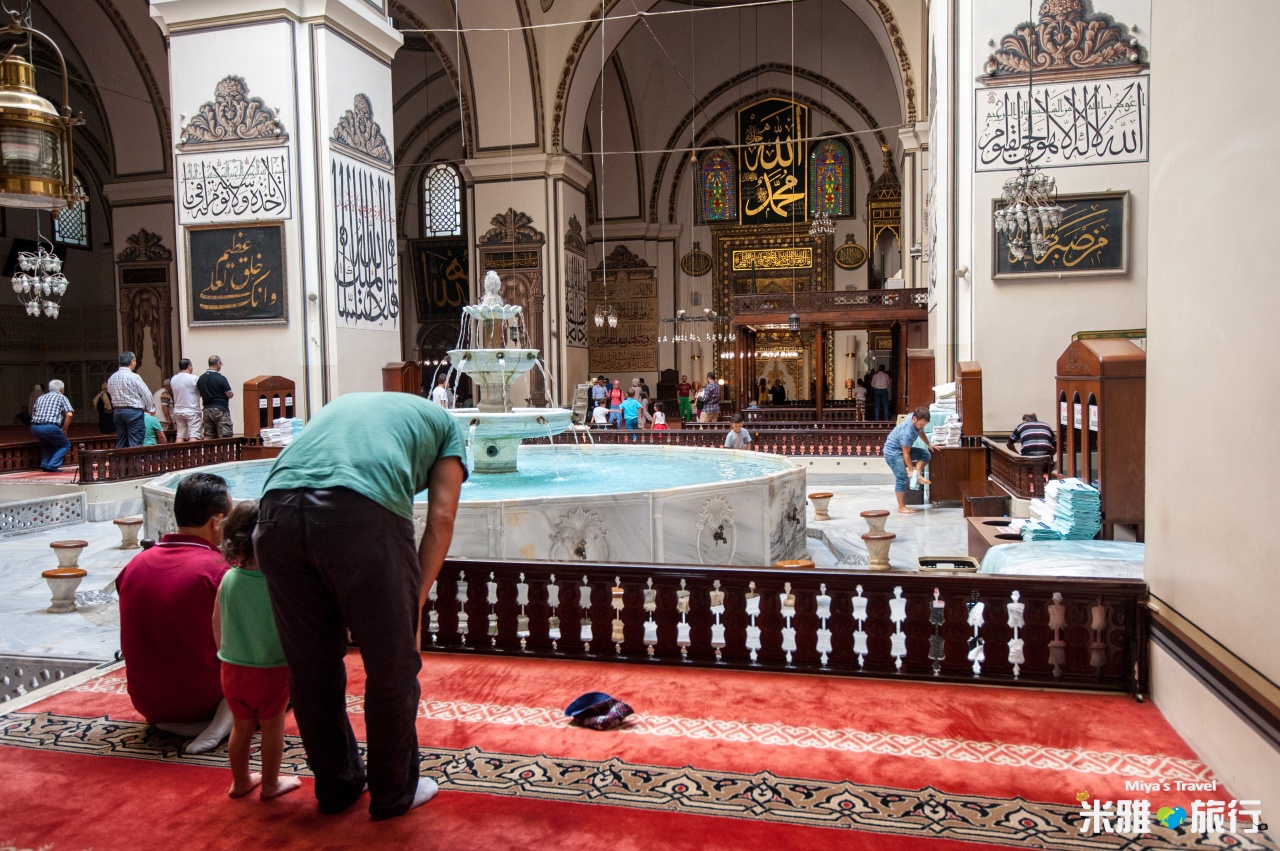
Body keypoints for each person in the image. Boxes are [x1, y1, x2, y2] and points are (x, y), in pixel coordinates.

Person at [254, 393, 466, 820]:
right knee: (392, 668)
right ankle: (392, 794)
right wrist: (415, 596)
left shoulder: (347, 406)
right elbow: (442, 516)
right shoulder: (448, 428)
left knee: (311, 667)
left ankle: (337, 787)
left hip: (274, 514)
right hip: (359, 514)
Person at [116, 472, 234, 753]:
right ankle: (223, 723)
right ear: (216, 520)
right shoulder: (219, 570)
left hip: (149, 703)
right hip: (203, 701)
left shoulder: (135, 564)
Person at [213, 500, 301, 801]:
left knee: (241, 727)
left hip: (232, 668)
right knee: (273, 727)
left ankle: (240, 782)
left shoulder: (228, 579)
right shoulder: (278, 583)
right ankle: (270, 784)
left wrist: (226, 655)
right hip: (271, 668)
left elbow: (217, 622)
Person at [883, 406, 935, 515]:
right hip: (892, 453)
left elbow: (920, 431)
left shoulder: (915, 417)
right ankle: (901, 507)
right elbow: (906, 454)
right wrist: (911, 470)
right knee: (902, 478)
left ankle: (919, 476)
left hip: (901, 449)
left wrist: (929, 444)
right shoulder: (907, 432)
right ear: (914, 419)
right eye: (921, 425)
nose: (922, 427)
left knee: (925, 453)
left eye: (924, 425)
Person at [107, 351, 156, 448]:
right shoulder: (134, 377)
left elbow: (110, 393)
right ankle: (134, 463)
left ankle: (120, 462)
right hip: (133, 412)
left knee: (121, 441)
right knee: (135, 442)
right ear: (132, 361)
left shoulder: (112, 377)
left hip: (117, 411)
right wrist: (151, 408)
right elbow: (146, 394)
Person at [29, 379, 73, 472]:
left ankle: (44, 464)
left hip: (35, 427)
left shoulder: (40, 398)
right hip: (49, 427)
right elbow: (69, 414)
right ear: (61, 389)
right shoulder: (61, 397)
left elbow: (33, 413)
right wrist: (64, 429)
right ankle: (53, 465)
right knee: (65, 445)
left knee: (50, 444)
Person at [198, 355, 235, 438]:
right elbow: (229, 394)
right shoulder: (221, 378)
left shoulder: (201, 378)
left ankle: (209, 451)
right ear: (218, 363)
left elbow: (200, 393)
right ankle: (224, 451)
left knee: (209, 436)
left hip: (206, 410)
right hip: (220, 409)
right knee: (224, 436)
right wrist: (232, 394)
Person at [170, 359, 202, 442]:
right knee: (194, 435)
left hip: (178, 410)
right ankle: (192, 454)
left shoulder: (173, 379)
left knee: (180, 434)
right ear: (189, 366)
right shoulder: (194, 378)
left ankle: (178, 454)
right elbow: (200, 391)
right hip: (192, 409)